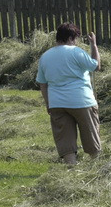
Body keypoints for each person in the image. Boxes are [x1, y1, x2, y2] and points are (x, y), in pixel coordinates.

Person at [36, 22, 101, 165]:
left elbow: (43, 84)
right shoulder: (76, 52)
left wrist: (48, 103)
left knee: (64, 137)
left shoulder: (45, 57)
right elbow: (95, 66)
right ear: (71, 38)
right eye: (76, 38)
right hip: (81, 101)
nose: (76, 42)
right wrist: (94, 45)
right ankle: (96, 166)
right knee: (90, 133)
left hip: (57, 103)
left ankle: (71, 168)